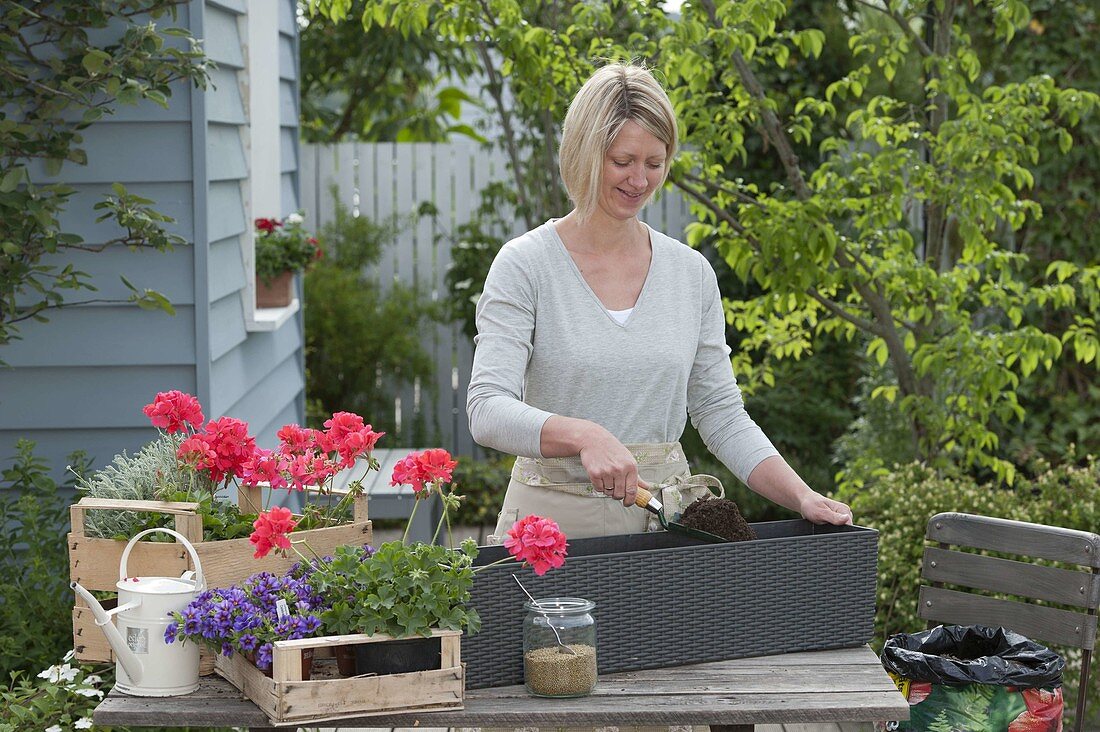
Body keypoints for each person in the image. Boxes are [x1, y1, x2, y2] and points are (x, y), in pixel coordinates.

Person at [467, 63, 853, 541]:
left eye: (655, 162)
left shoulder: (691, 274)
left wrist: (802, 496)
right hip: (548, 534)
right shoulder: (525, 264)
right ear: (586, 154)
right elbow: (487, 409)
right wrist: (585, 435)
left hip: (665, 527)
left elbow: (721, 413)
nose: (640, 180)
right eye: (623, 161)